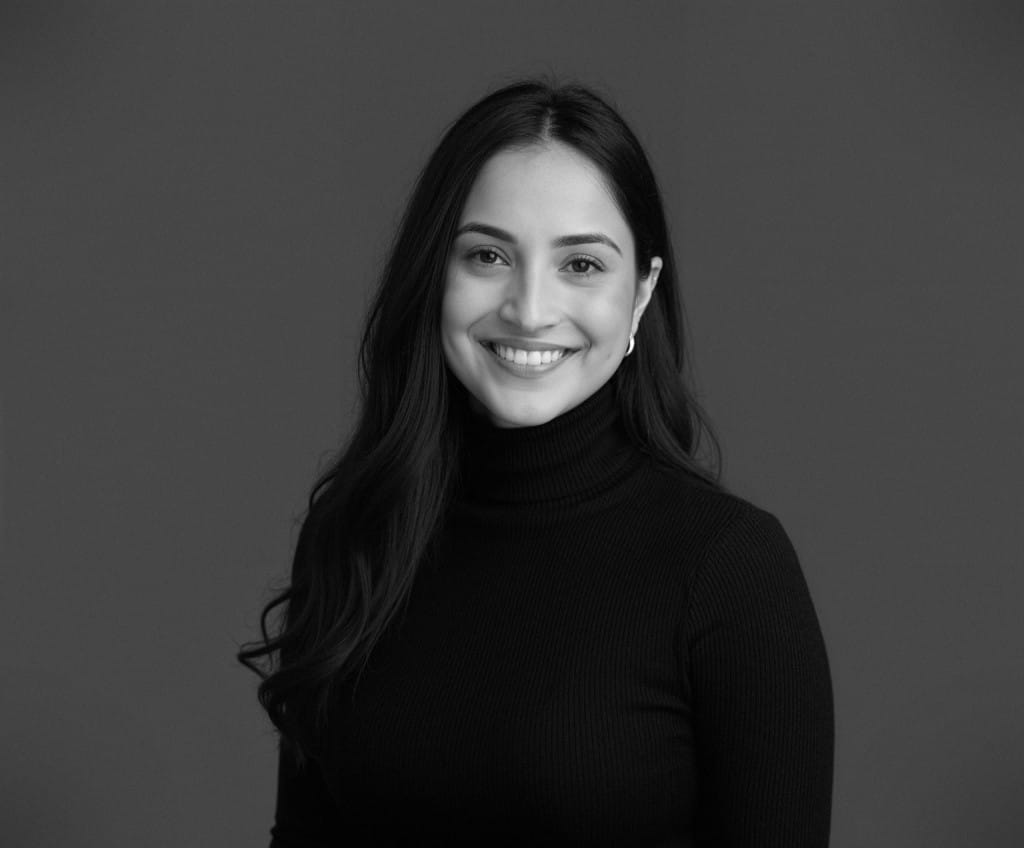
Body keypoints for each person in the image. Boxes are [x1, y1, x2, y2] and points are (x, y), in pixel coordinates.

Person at [238, 78, 834, 847]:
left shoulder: (731, 569)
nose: (528, 309)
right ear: (435, 275)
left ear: (641, 295)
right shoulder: (357, 531)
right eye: (488, 255)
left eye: (580, 265)